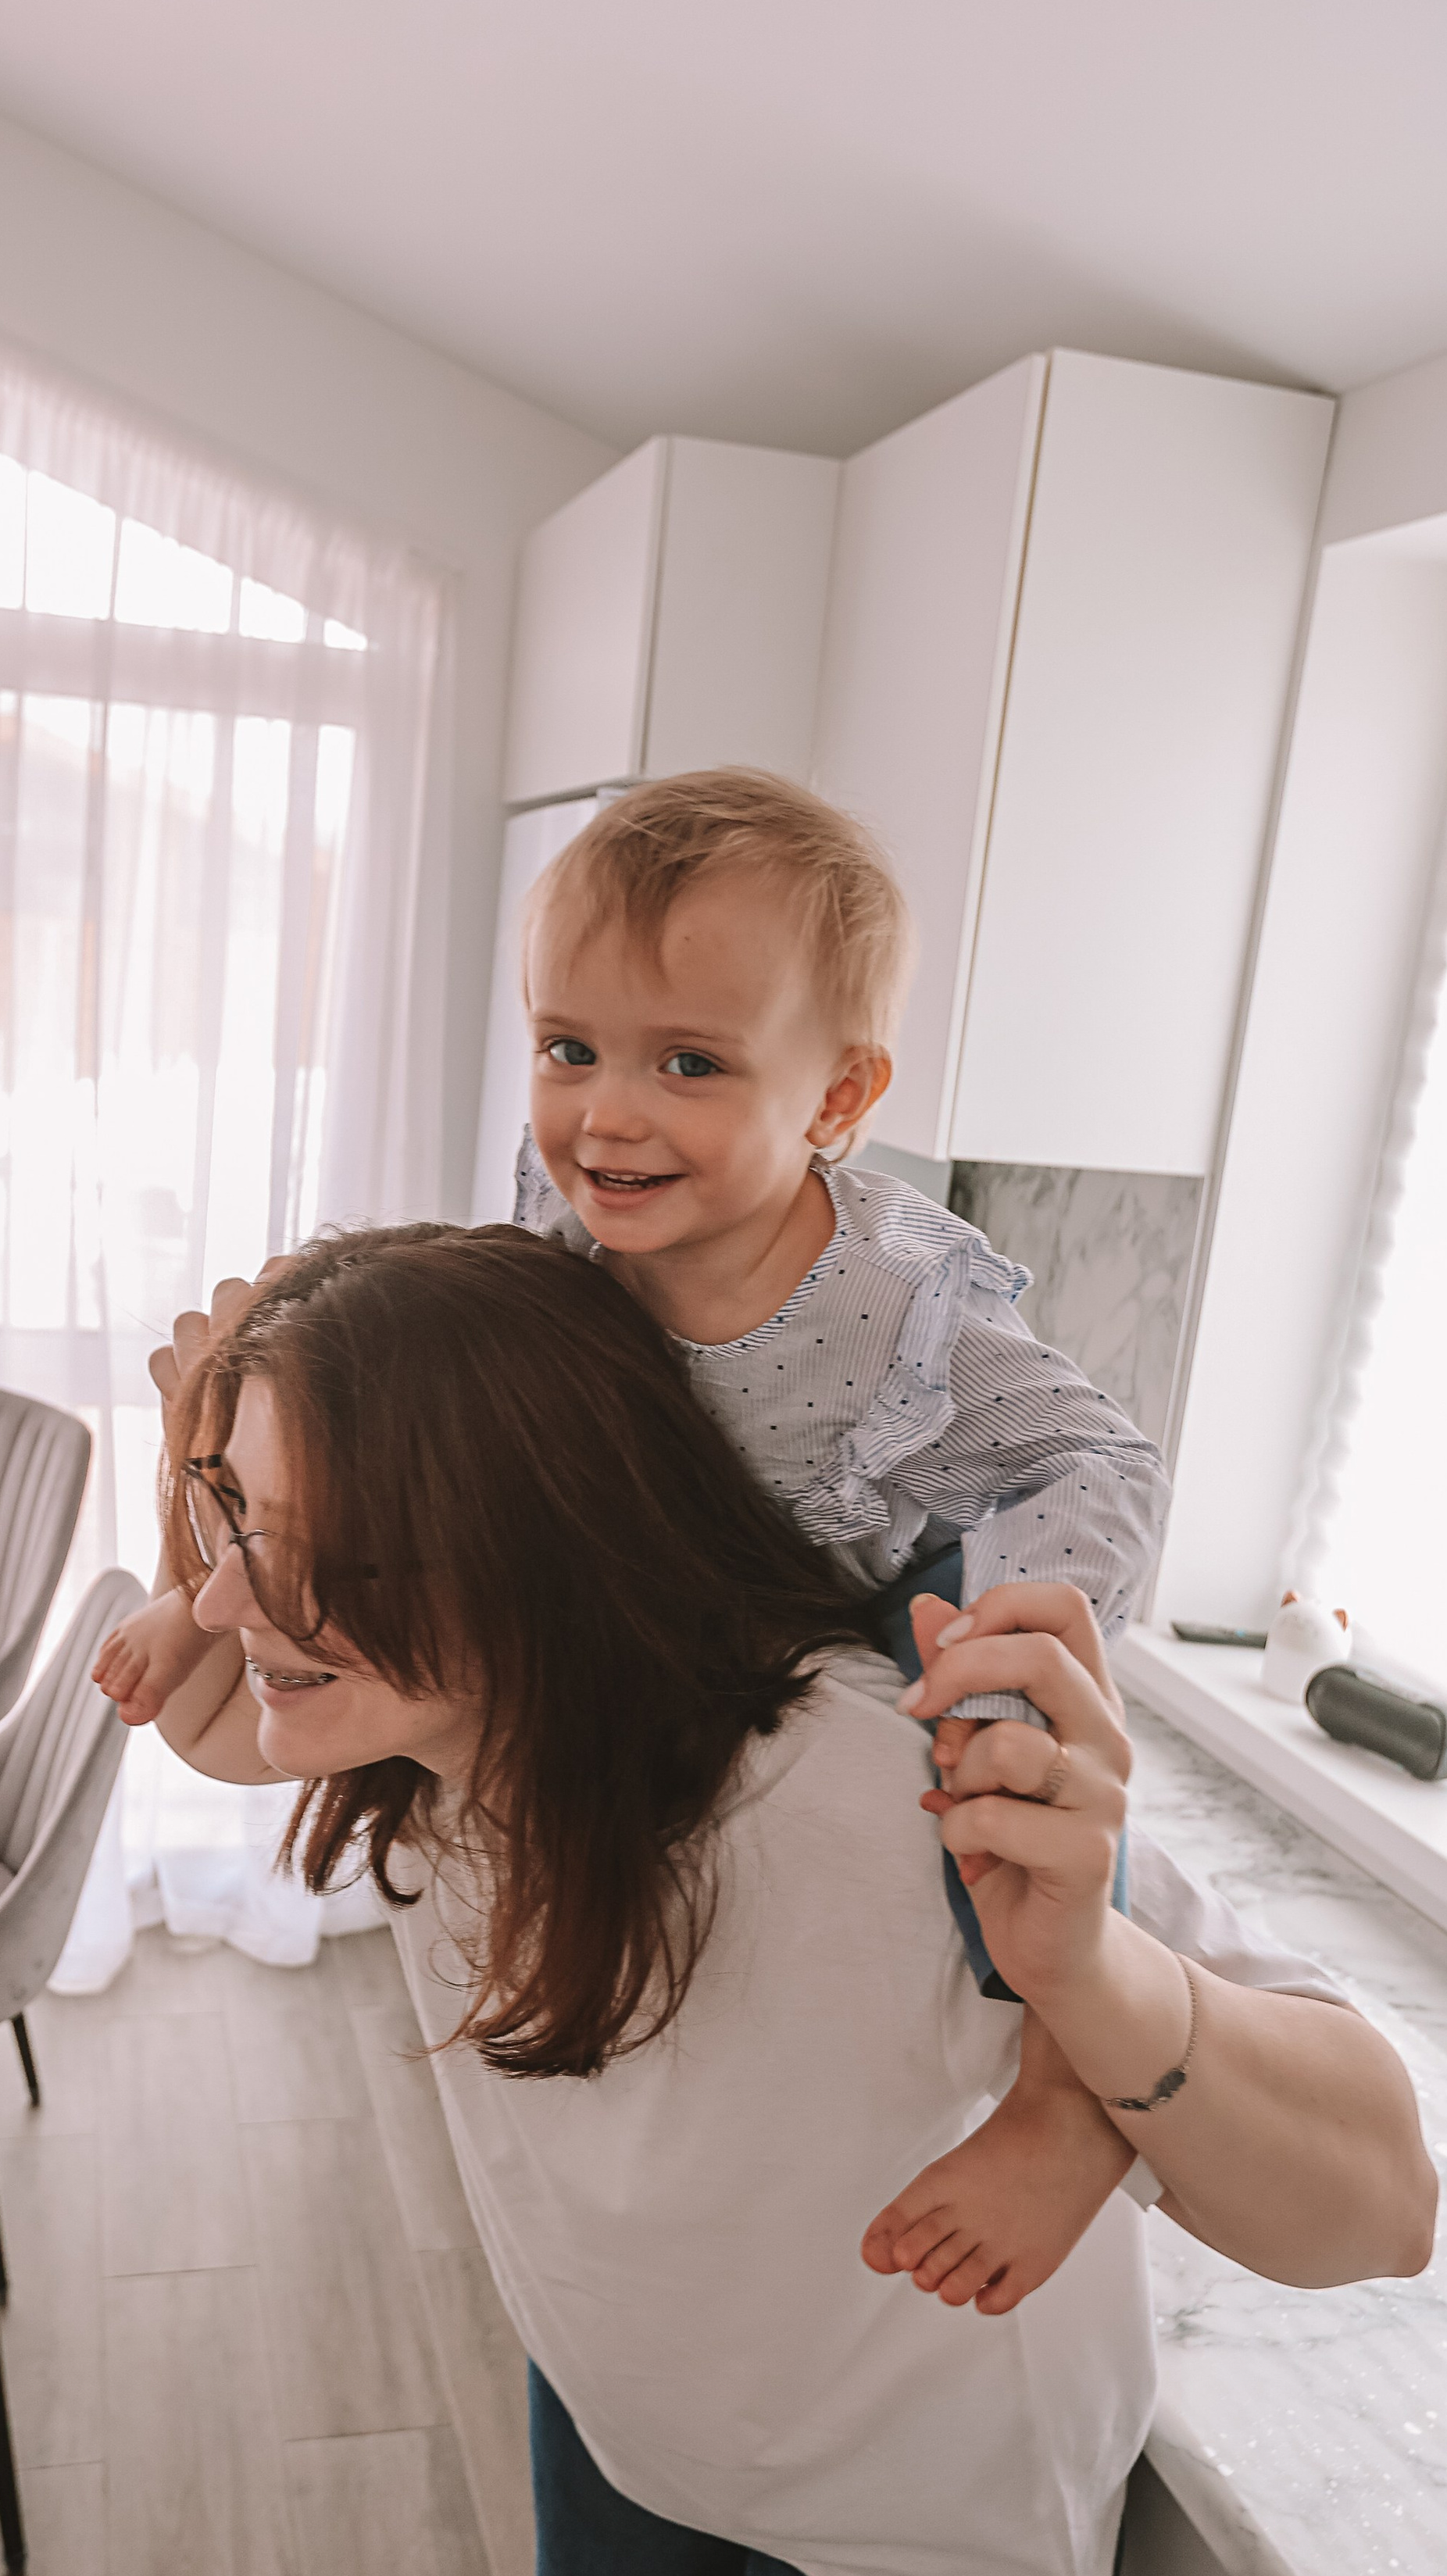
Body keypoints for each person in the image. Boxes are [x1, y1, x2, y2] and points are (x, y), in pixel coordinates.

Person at [123, 1224, 1434, 2576]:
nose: (239, 1596)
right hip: (627, 2423)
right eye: (237, 1517)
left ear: (541, 1543)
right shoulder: (414, 1730)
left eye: (327, 1547)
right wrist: (203, 1482)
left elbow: (1383, 2203)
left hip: (917, 2538)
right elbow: (197, 1699)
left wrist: (1090, 1982)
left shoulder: (860, 1777)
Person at [98, 767, 1173, 2315]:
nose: (605, 1112)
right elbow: (357, 1450)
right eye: (567, 1048)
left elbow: (1092, 1456)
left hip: (900, 1577)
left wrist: (1013, 1637)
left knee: (1000, 1809)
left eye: (686, 1062)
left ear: (834, 1102)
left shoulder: (903, 1304)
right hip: (714, 1589)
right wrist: (194, 1596)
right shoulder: (559, 1243)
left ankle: (1065, 2109)